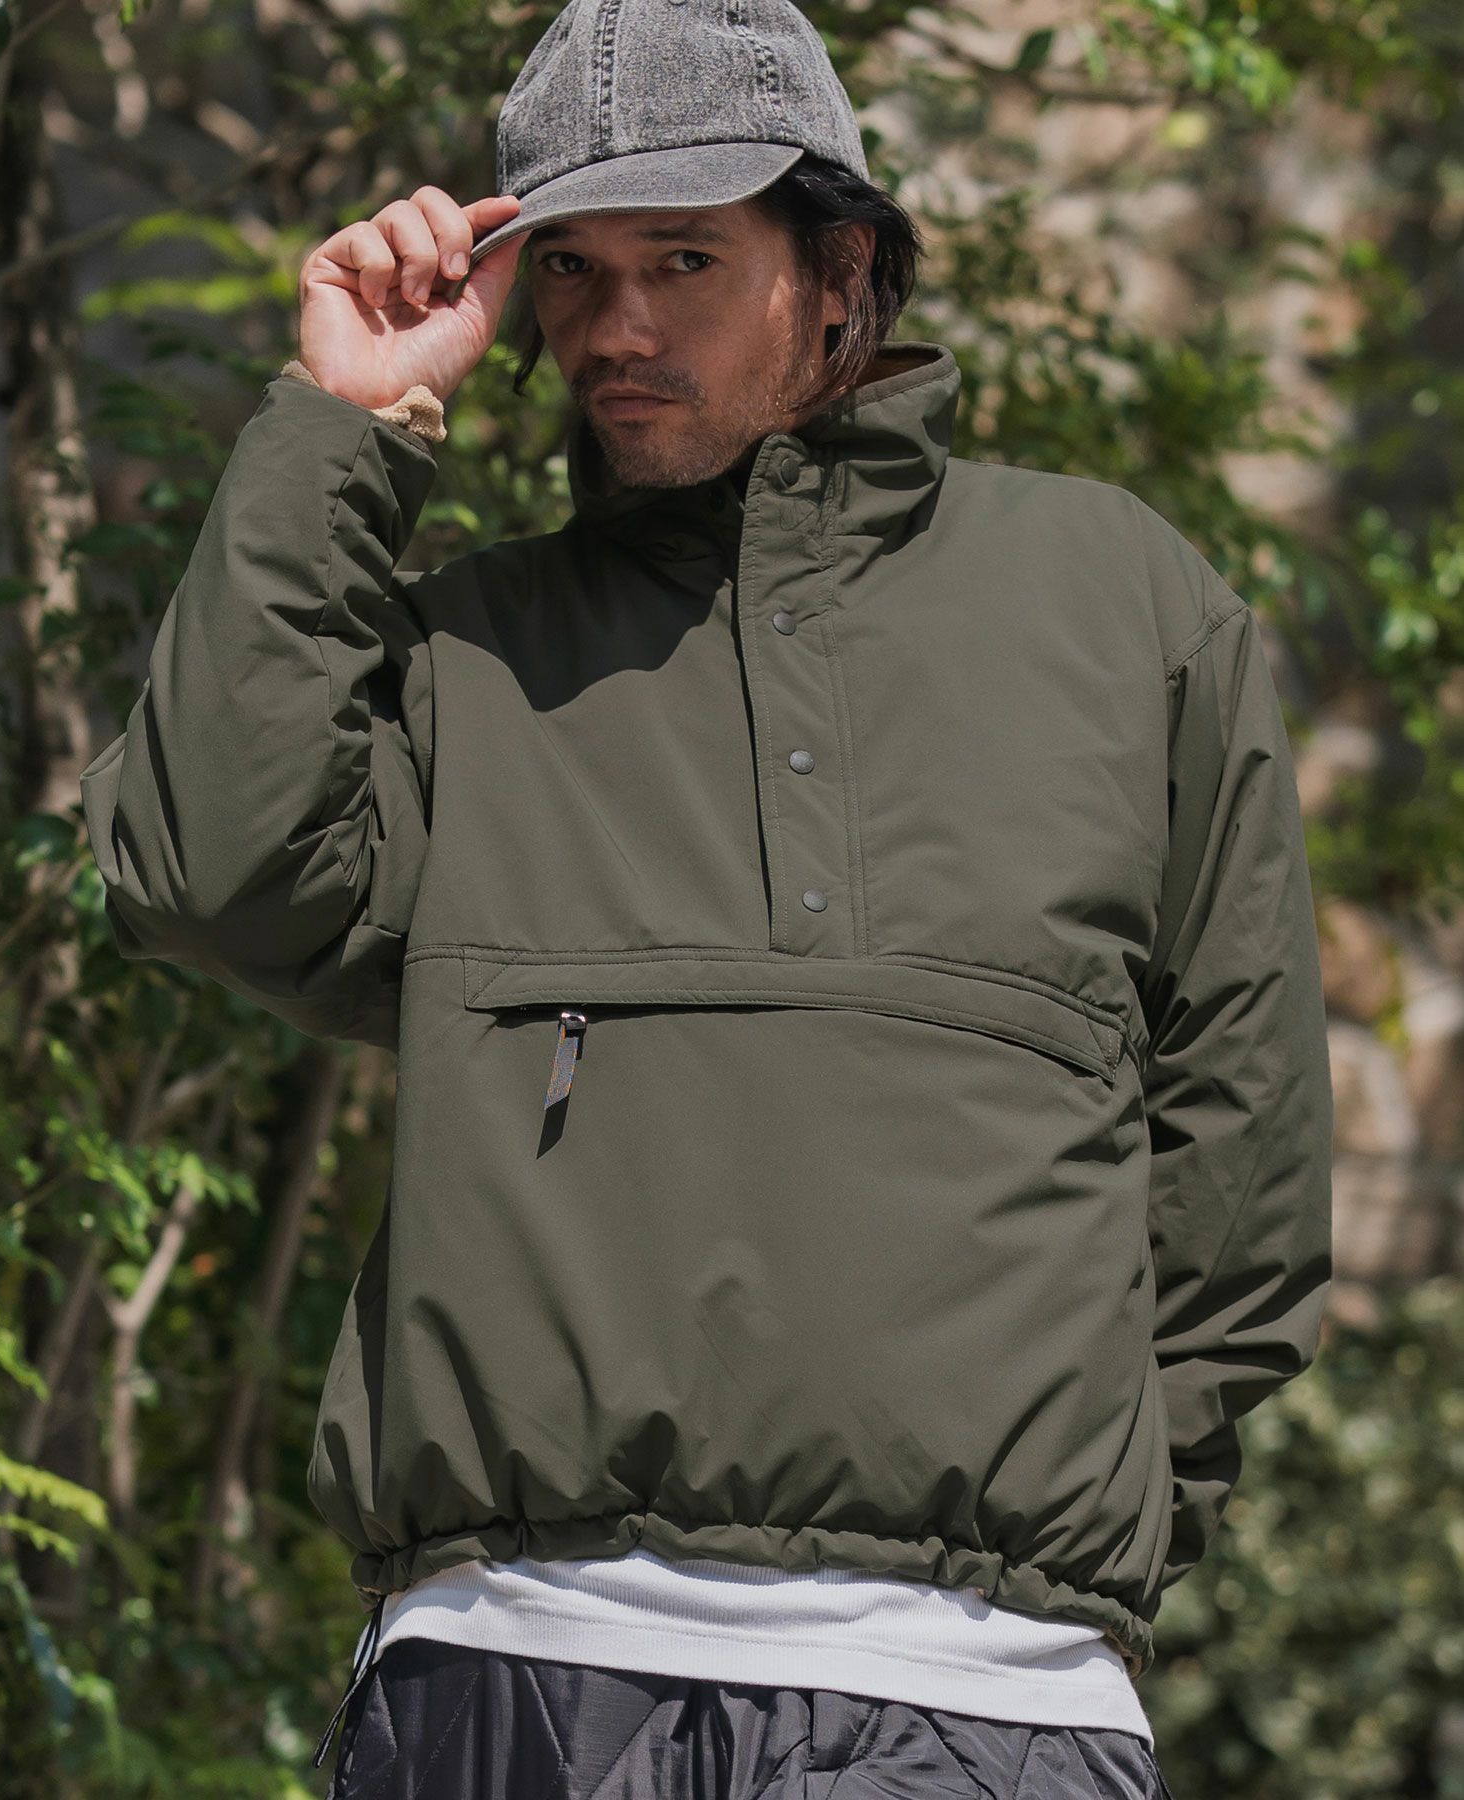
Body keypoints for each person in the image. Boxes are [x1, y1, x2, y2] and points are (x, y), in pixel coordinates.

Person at [78, 0, 1334, 1794]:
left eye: (684, 257)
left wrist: (1101, 1524)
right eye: (570, 270)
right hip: (517, 1669)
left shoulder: (1128, 607)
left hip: (990, 1697)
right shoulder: (467, 656)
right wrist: (346, 430)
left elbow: (1244, 1172)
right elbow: (204, 874)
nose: (619, 327)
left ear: (839, 271)